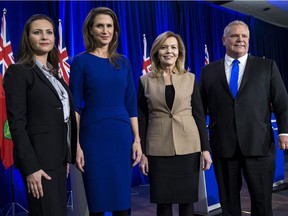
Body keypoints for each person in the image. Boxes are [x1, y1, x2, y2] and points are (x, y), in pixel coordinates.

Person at [200, 20, 288, 216]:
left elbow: (282, 102)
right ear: (224, 40)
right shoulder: (208, 71)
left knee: (262, 202)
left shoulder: (267, 66)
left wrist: (284, 131)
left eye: (244, 36)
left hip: (259, 145)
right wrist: (202, 145)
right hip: (223, 146)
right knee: (229, 205)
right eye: (234, 35)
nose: (240, 39)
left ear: (249, 39)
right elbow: (199, 109)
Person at [69, 7, 142, 216]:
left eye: (109, 26)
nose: (105, 30)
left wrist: (137, 139)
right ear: (90, 30)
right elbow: (74, 107)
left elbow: (131, 105)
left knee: (122, 201)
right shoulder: (81, 62)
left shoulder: (124, 62)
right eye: (100, 25)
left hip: (121, 135)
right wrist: (76, 145)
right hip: (93, 136)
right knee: (97, 201)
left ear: (115, 30)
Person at [3, 14, 77, 216]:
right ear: (28, 37)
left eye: (49, 32)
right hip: (39, 163)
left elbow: (65, 119)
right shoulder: (18, 72)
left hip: (59, 161)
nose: (44, 37)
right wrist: (31, 167)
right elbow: (17, 124)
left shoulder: (54, 74)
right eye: (37, 32)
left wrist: (66, 156)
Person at [138, 31, 212, 216]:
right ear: (156, 52)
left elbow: (199, 115)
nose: (168, 51)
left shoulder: (191, 78)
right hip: (157, 149)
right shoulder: (145, 81)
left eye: (173, 47)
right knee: (163, 202)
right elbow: (142, 118)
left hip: (188, 147)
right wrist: (144, 153)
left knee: (187, 202)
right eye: (163, 47)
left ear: (179, 52)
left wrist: (205, 149)